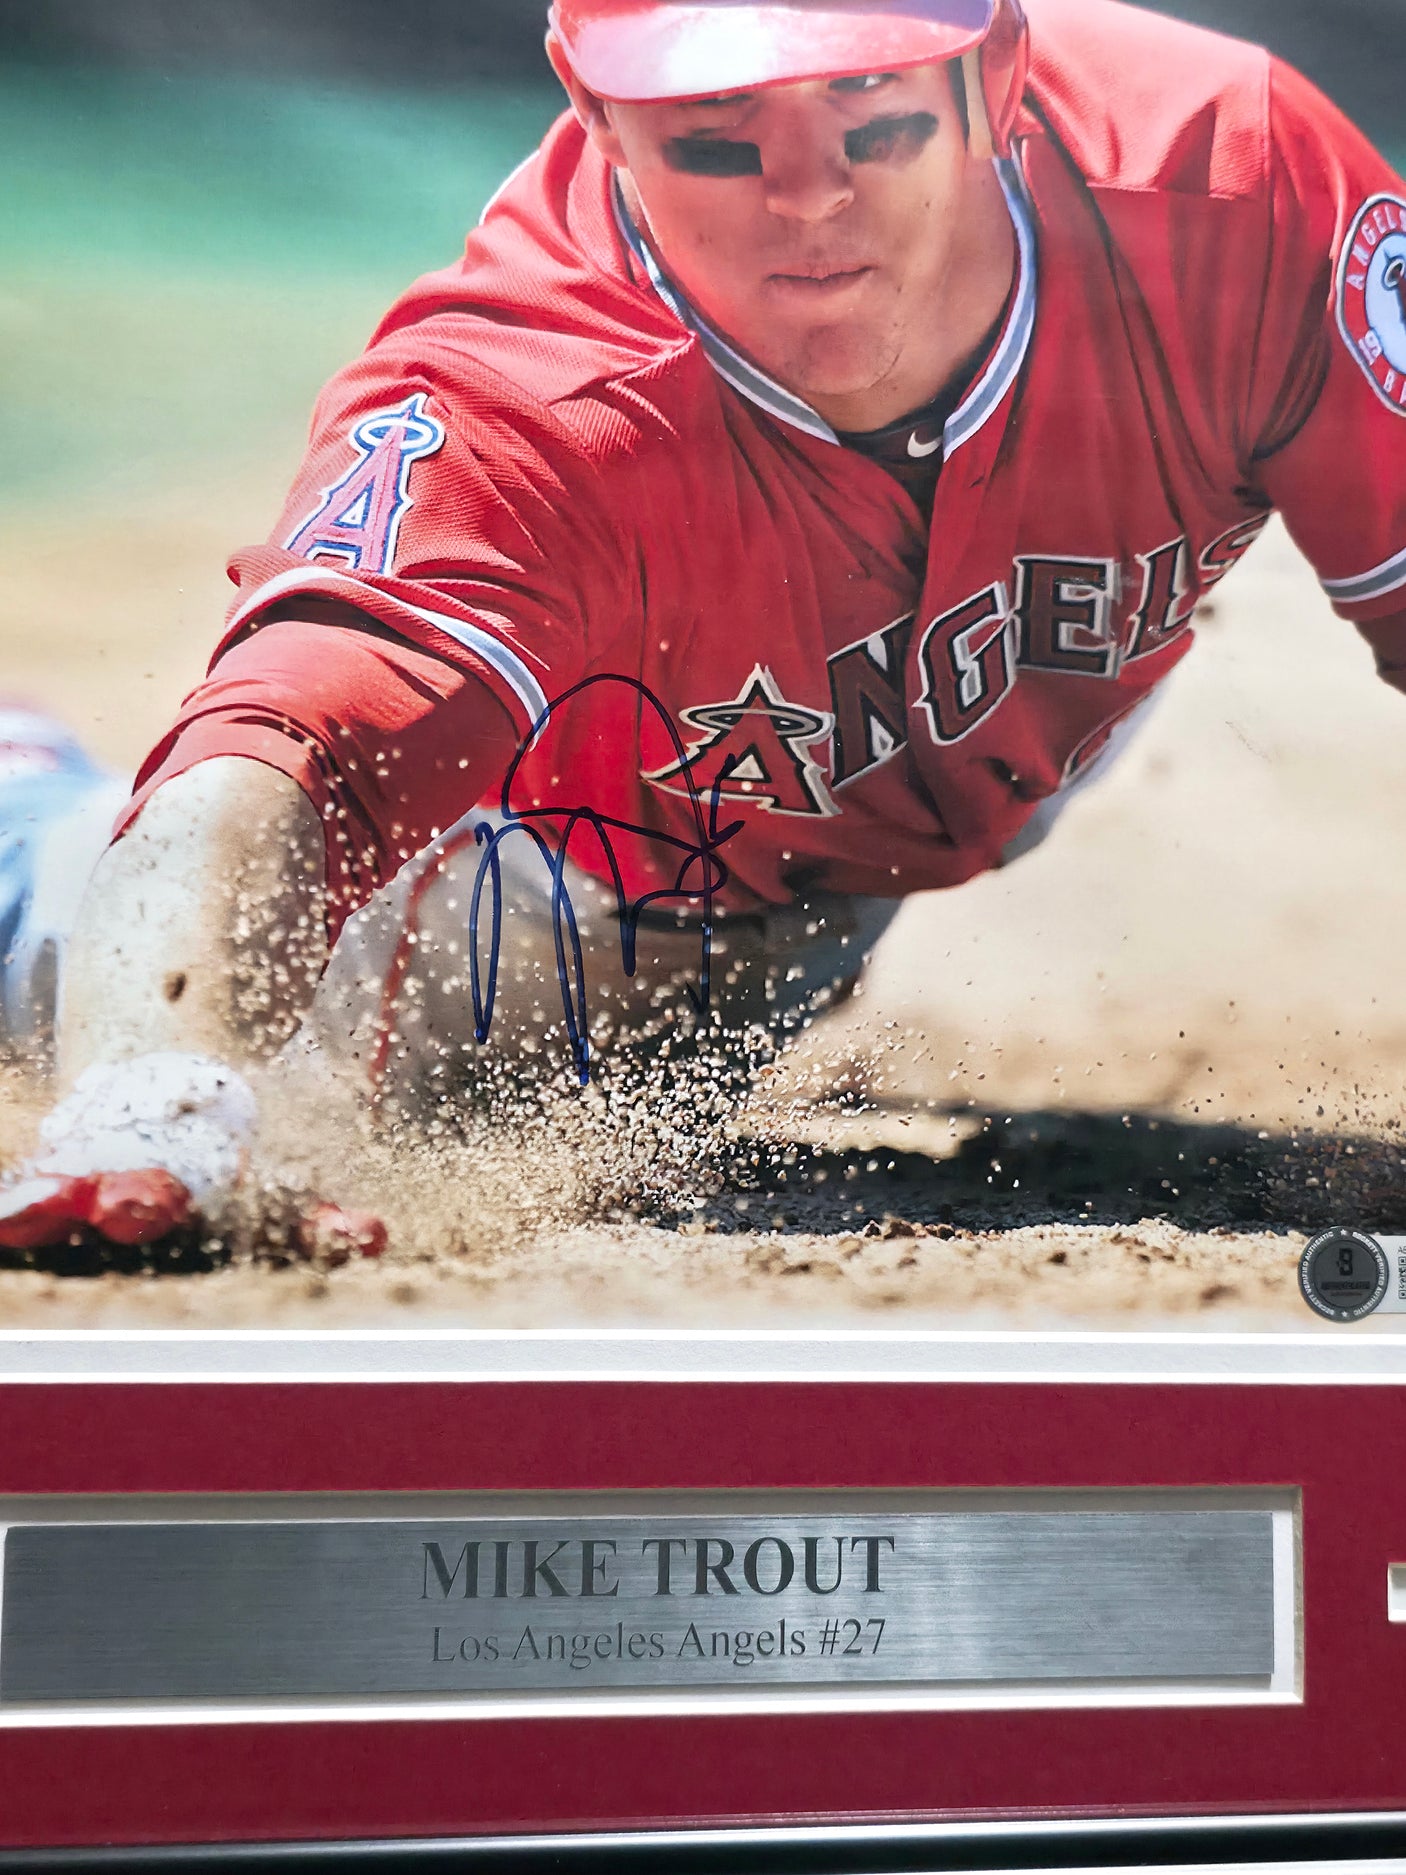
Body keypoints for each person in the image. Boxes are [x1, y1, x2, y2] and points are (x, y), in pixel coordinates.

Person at [3, 0, 1406, 1257]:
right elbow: (272, 765)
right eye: (719, 145)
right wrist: (149, 1099)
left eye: (878, 121)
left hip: (880, 757)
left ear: (996, 73)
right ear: (596, 112)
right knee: (200, 1004)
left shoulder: (1235, 183)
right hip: (588, 874)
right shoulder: (528, 399)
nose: (808, 199)